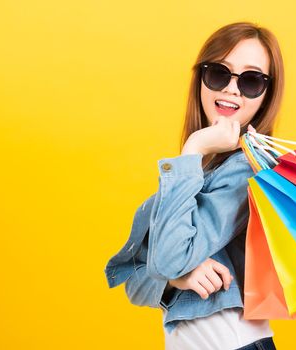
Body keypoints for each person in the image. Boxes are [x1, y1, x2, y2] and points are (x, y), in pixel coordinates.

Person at [104, 21, 284, 349]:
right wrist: (176, 278)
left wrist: (193, 149)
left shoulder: (247, 170)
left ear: (266, 95)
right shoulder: (199, 169)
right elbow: (133, 281)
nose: (232, 89)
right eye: (219, 73)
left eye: (251, 80)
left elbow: (167, 258)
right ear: (201, 78)